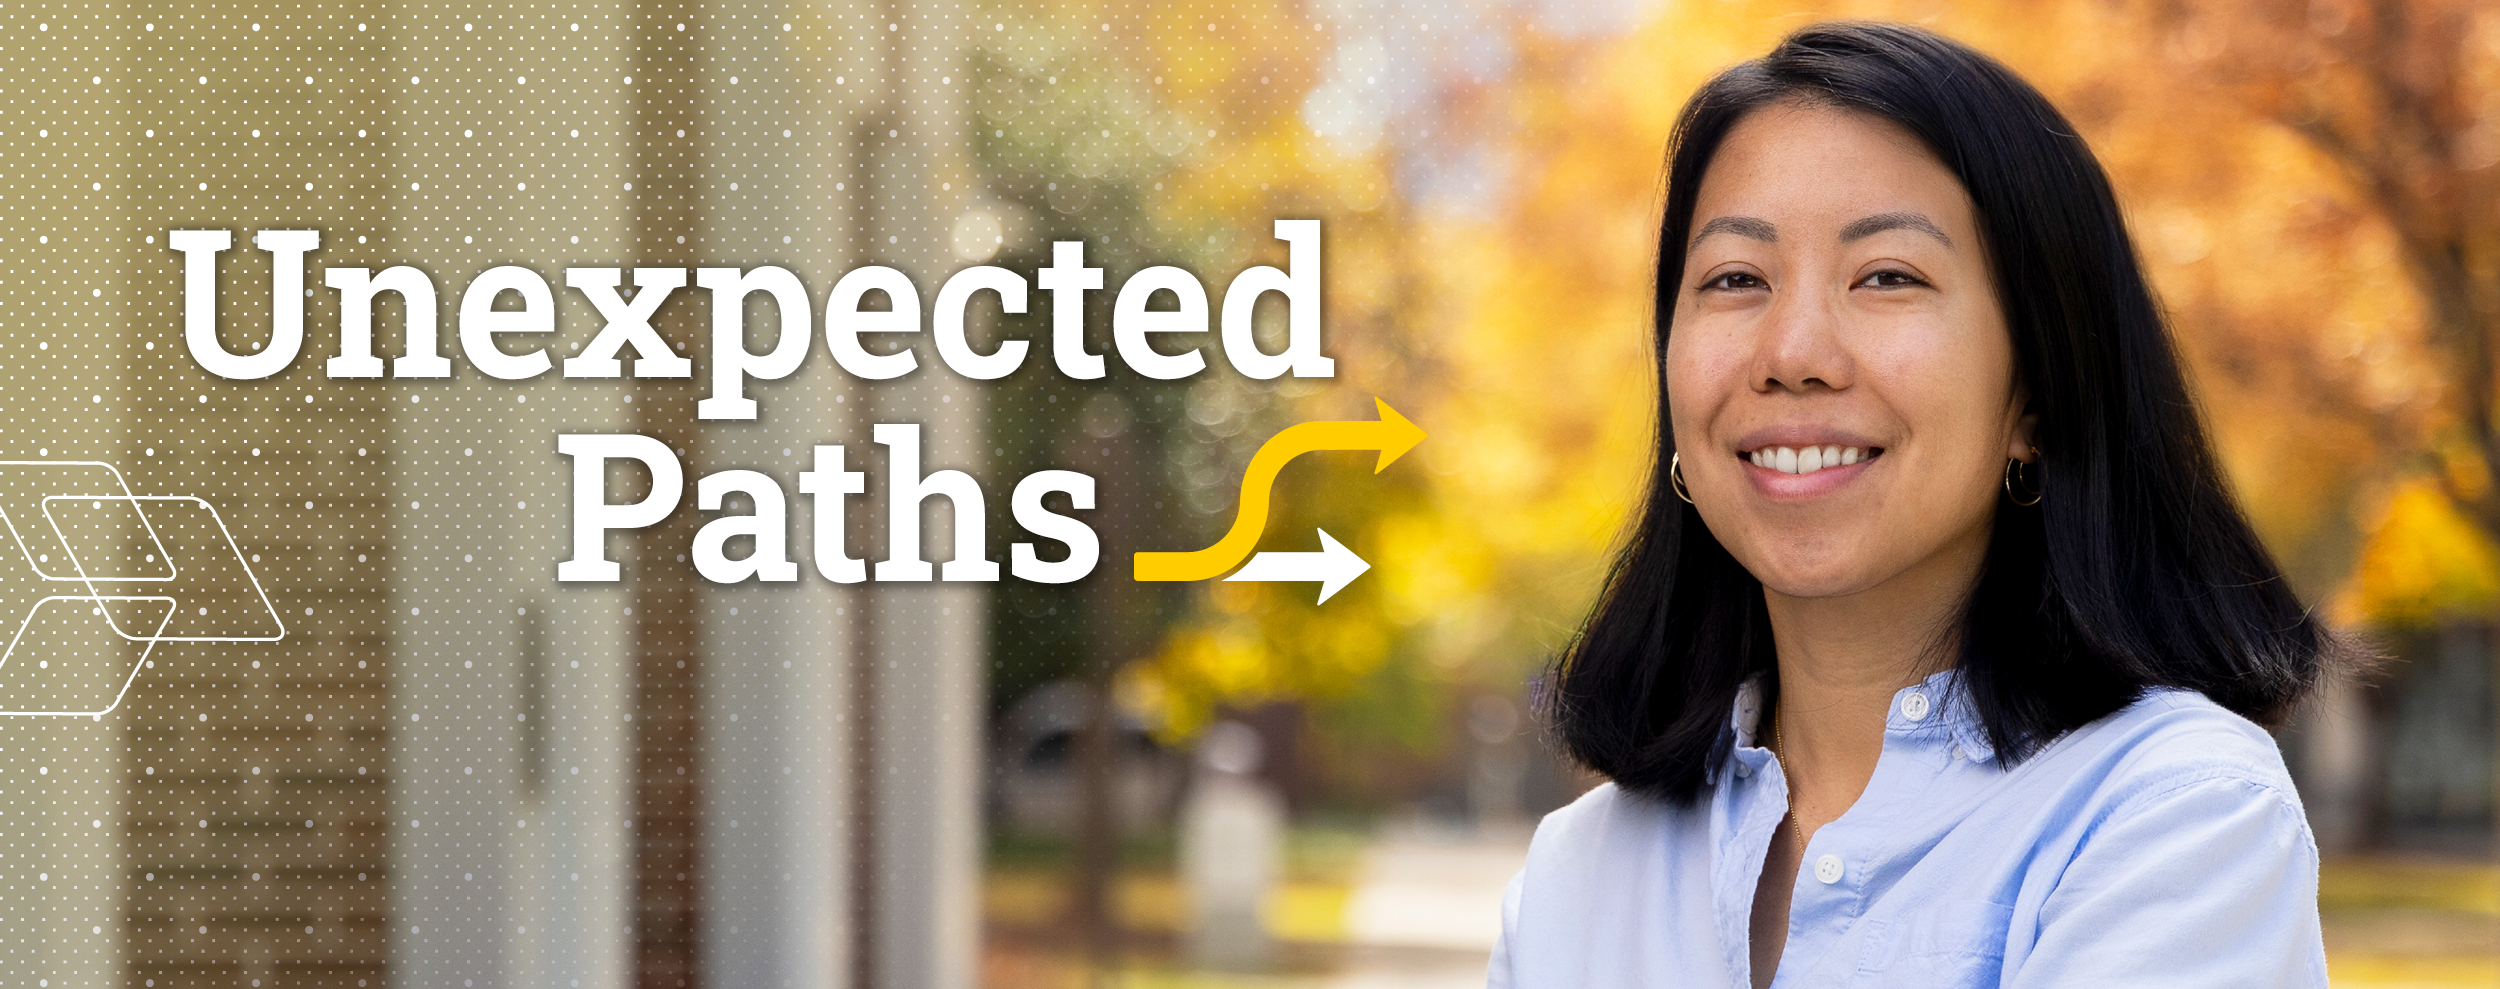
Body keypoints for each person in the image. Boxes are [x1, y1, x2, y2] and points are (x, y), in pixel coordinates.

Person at [1489, 21, 2332, 989]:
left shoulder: (2175, 811)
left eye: (1886, 275)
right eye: (1734, 279)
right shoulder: (1578, 873)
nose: (1792, 351)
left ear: (2037, 394)